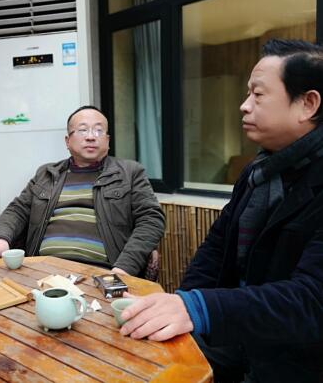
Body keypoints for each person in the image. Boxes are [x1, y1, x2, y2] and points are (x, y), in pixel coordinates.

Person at [118, 39, 323, 382]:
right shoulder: (258, 171)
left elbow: (312, 299)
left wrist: (199, 308)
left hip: (296, 360)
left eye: (258, 95)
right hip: (236, 339)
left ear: (308, 104)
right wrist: (184, 307)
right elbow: (215, 248)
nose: (244, 105)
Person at [0, 105, 165, 276]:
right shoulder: (47, 174)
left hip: (101, 273)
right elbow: (17, 210)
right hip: (42, 270)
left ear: (108, 140)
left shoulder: (130, 172)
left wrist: (125, 267)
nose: (91, 137)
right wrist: (0, 239)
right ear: (67, 141)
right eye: (83, 130)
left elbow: (151, 219)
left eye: (98, 130)